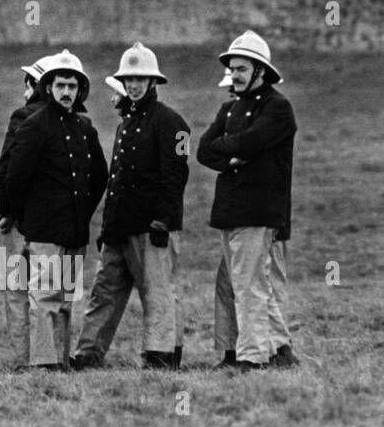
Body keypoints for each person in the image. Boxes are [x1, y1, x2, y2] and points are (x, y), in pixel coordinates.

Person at [71, 43, 190, 371]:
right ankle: (88, 354)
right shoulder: (127, 124)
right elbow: (117, 181)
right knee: (103, 293)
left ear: (153, 82)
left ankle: (161, 355)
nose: (134, 85)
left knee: (157, 293)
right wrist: (108, 227)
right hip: (120, 228)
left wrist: (164, 220)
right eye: (129, 79)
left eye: (140, 79)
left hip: (152, 227)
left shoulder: (172, 122)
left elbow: (176, 175)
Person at [197, 31, 298, 371]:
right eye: (233, 69)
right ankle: (281, 351)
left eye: (241, 69)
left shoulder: (279, 107)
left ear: (260, 71)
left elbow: (252, 141)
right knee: (248, 284)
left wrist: (229, 146)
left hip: (259, 211)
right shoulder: (229, 108)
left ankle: (252, 357)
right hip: (230, 211)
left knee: (250, 286)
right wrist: (232, 156)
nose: (234, 75)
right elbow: (202, 150)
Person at [4, 50, 108, 370]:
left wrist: (82, 210)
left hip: (74, 230)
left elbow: (100, 176)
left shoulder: (84, 127)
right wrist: (23, 216)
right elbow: (15, 175)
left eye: (72, 87)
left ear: (80, 91)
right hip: (45, 229)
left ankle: (60, 361)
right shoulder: (35, 125)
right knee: (44, 298)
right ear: (48, 88)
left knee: (64, 301)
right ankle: (43, 363)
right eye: (60, 85)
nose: (66, 92)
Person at [0, 54, 55, 368]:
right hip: (56, 223)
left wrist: (7, 211)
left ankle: (22, 359)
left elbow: (8, 168)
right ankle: (53, 356)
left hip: (22, 220)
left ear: (35, 85)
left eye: (27, 82)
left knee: (19, 292)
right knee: (53, 292)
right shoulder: (70, 120)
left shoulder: (22, 117)